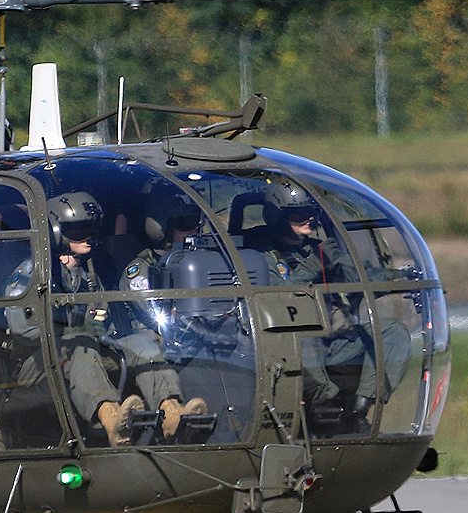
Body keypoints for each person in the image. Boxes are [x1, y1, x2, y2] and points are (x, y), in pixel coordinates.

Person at [243, 178, 411, 432]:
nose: (309, 219)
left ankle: (361, 406)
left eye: (313, 213)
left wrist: (399, 277)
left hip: (332, 343)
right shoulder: (259, 255)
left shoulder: (319, 250)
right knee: (307, 326)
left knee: (394, 333)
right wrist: (312, 270)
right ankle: (324, 401)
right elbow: (272, 297)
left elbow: (366, 277)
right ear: (277, 217)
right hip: (290, 346)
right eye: (299, 214)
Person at [46, 192, 143, 447]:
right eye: (78, 231)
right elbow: (26, 331)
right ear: (56, 233)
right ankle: (111, 420)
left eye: (90, 229)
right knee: (80, 343)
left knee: (145, 342)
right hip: (42, 357)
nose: (87, 236)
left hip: (87, 350)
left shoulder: (93, 273)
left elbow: (103, 319)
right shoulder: (37, 273)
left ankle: (172, 409)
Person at [115, 181, 211, 439]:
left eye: (196, 221)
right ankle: (172, 415)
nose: (193, 229)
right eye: (184, 222)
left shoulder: (205, 261)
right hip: (154, 345)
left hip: (197, 341)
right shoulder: (140, 268)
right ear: (161, 226)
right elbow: (159, 317)